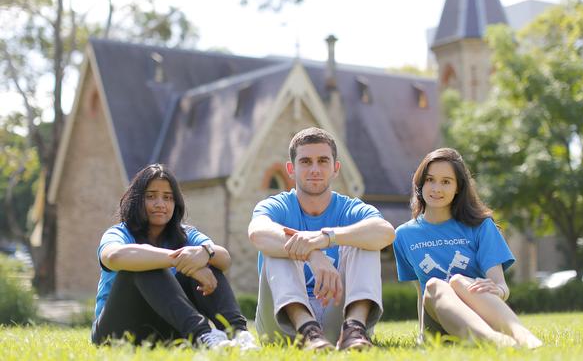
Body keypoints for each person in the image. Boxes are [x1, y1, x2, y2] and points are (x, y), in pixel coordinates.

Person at [248, 127, 395, 351]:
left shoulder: (349, 208)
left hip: (338, 316)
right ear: (291, 169)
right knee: (283, 243)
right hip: (283, 322)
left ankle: (355, 330)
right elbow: (258, 233)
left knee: (364, 238)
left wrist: (326, 238)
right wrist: (311, 253)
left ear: (335, 168)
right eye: (306, 161)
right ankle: (308, 331)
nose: (315, 169)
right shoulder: (276, 205)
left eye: (323, 161)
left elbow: (385, 232)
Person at [92, 163, 258, 351]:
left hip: (167, 332)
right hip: (115, 332)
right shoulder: (119, 233)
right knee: (146, 263)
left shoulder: (186, 235)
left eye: (168, 198)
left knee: (208, 261)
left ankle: (238, 334)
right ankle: (203, 334)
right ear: (137, 200)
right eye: (151, 196)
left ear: (175, 203)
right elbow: (113, 257)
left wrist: (205, 253)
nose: (160, 204)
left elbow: (224, 259)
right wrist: (177, 259)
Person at [392, 148, 542, 348]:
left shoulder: (481, 226)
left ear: (458, 188)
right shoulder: (403, 235)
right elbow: (422, 292)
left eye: (446, 181)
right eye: (430, 180)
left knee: (458, 280)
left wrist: (498, 290)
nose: (436, 188)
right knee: (434, 285)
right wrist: (422, 335)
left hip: (483, 315)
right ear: (420, 183)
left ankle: (524, 338)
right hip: (438, 323)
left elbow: (502, 286)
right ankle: (494, 342)